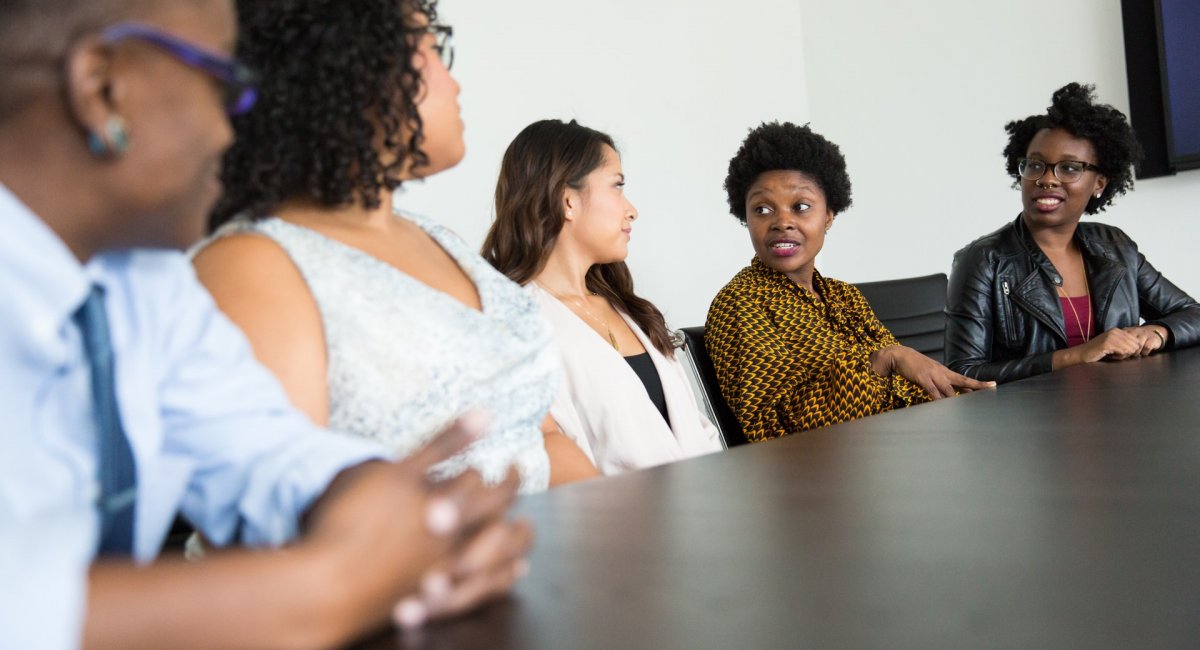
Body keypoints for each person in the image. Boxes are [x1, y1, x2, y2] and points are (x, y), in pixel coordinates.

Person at [0, 1, 531, 647]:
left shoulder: (145, 282)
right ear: (103, 89)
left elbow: (264, 451)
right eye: (223, 86)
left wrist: (389, 511)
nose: (234, 131)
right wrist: (331, 584)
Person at [192, 1, 597, 489]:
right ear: (352, 66)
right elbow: (283, 525)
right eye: (432, 45)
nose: (455, 83)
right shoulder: (254, 265)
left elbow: (541, 436)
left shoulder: (438, 239)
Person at [705, 122, 993, 443]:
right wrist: (883, 360)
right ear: (746, 218)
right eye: (762, 209)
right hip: (815, 478)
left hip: (890, 448)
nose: (782, 221)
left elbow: (902, 383)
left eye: (801, 207)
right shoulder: (740, 304)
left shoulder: (844, 295)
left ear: (829, 215)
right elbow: (772, 428)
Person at [481, 119, 722, 474]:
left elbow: (698, 431)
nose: (631, 209)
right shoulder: (514, 324)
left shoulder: (630, 310)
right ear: (567, 201)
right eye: (617, 186)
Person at [945, 83, 1200, 383]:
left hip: (1122, 410)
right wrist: (1074, 357)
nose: (1047, 179)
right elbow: (961, 375)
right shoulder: (984, 261)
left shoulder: (1115, 247)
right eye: (1036, 165)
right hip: (1032, 423)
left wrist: (1158, 332)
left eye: (1068, 168)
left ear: (1100, 184)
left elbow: (1192, 314)